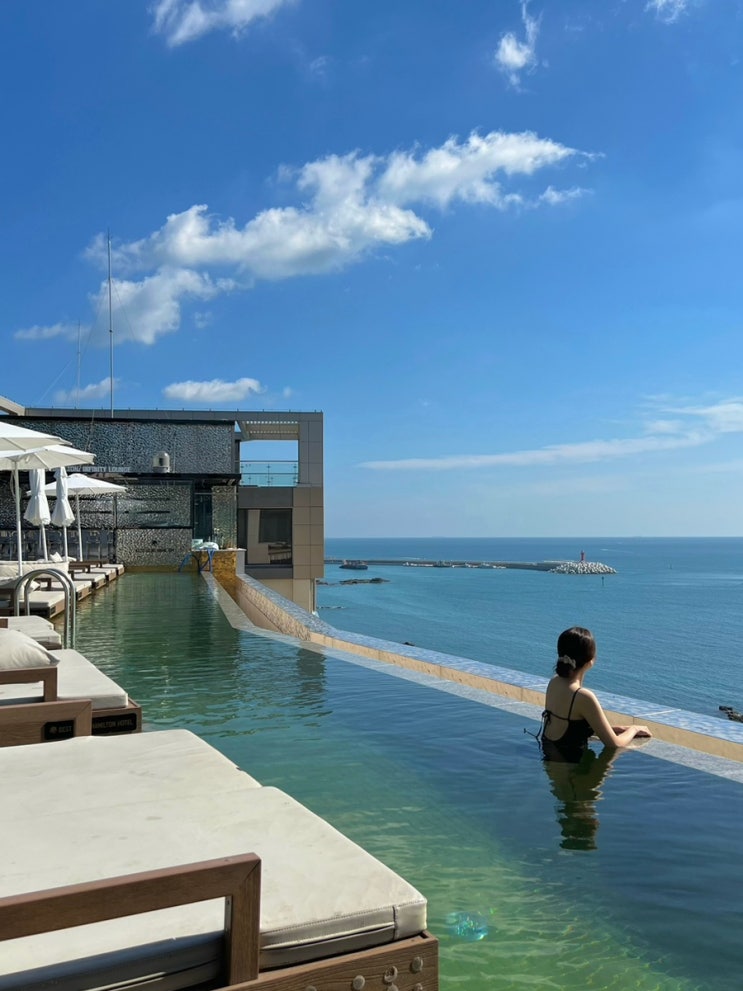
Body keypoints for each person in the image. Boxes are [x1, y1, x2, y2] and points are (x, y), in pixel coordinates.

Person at [539, 626, 651, 764]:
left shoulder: (554, 682)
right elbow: (615, 744)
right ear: (591, 660)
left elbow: (572, 729)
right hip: (572, 770)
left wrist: (621, 729)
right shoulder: (583, 696)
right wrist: (634, 729)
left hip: (550, 759)